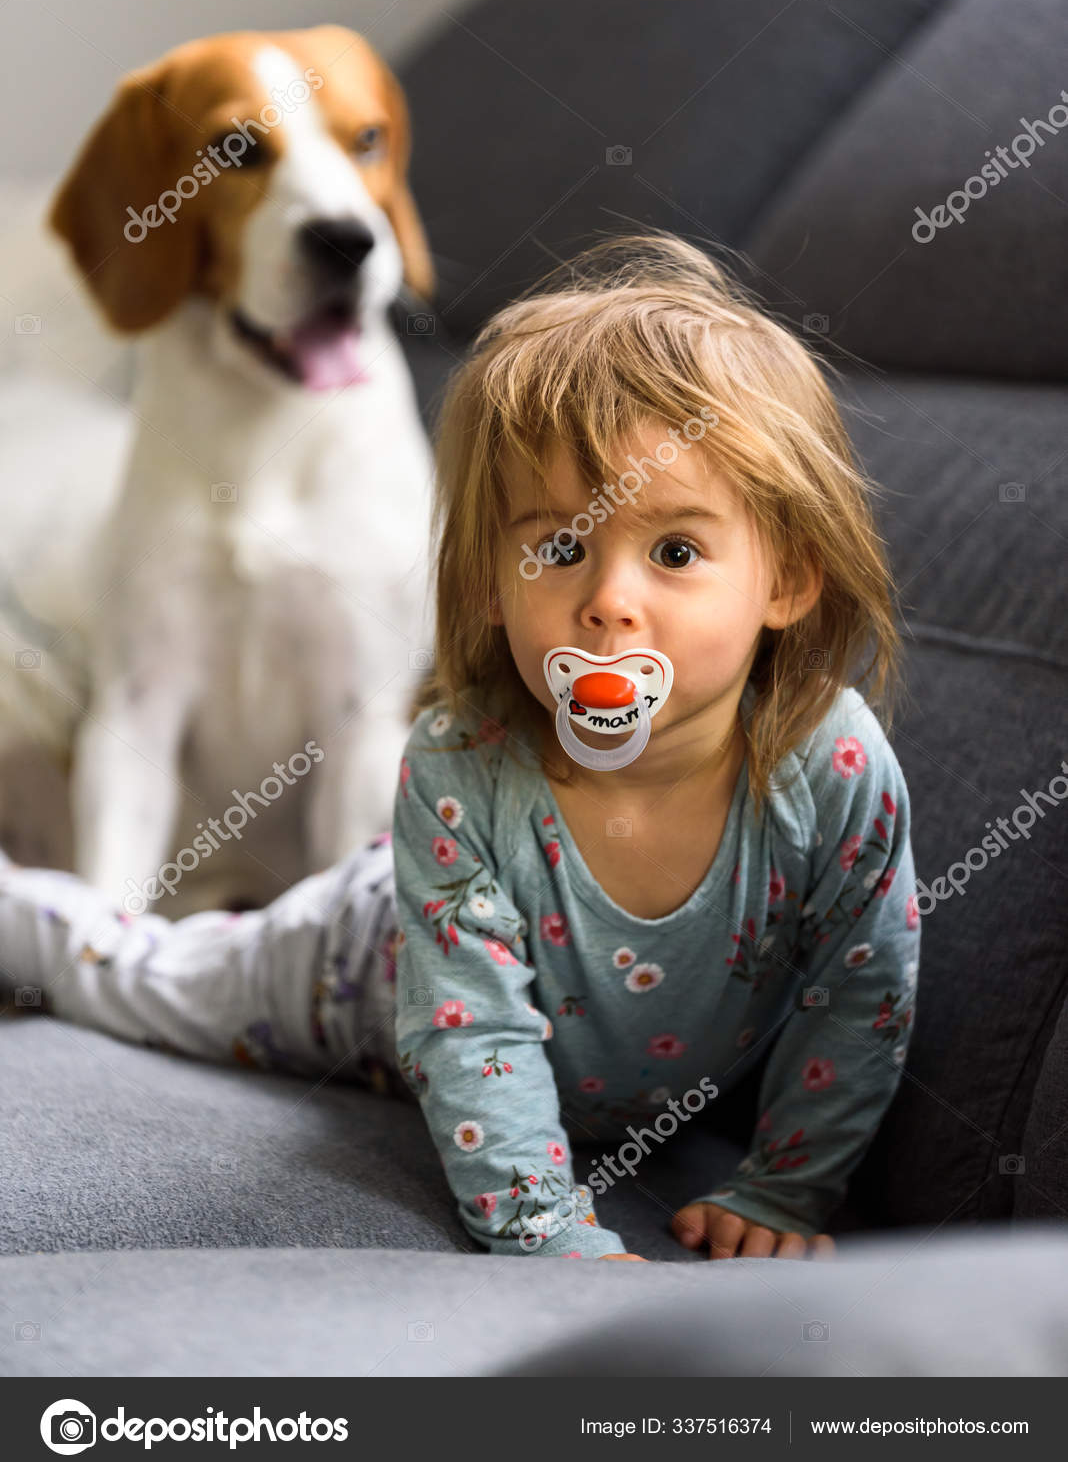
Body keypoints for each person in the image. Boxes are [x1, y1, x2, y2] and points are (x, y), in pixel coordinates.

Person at [0, 231, 920, 1264]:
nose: (610, 601)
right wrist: (542, 1229)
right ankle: (21, 915)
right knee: (145, 976)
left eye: (675, 550)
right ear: (489, 584)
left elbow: (862, 990)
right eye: (560, 546)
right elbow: (471, 1030)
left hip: (608, 1073)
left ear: (786, 581)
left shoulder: (832, 768)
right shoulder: (461, 764)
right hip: (359, 962)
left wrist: (787, 1189)